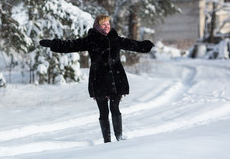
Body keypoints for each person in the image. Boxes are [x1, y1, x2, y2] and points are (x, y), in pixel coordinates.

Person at [39, 15, 154, 143]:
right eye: (104, 24)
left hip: (116, 79)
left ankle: (119, 137)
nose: (107, 26)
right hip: (99, 80)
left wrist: (145, 46)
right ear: (98, 26)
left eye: (108, 24)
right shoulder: (91, 40)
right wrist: (53, 44)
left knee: (115, 107)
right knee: (103, 111)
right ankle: (107, 141)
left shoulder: (114, 38)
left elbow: (132, 44)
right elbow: (71, 45)